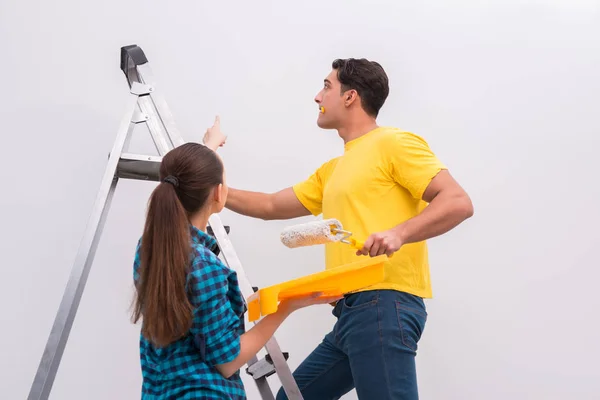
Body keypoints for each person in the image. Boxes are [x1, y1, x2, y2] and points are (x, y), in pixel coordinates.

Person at [203, 58, 474, 399]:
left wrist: (398, 233)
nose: (318, 96)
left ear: (350, 97)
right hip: (351, 314)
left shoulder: (395, 143)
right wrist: (209, 187)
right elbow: (270, 205)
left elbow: (457, 201)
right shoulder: (333, 170)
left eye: (327, 86)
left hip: (384, 302)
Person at [130, 138, 341, 399]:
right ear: (218, 193)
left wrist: (209, 147)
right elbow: (228, 361)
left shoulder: (150, 248)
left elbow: (197, 318)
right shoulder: (204, 267)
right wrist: (288, 306)